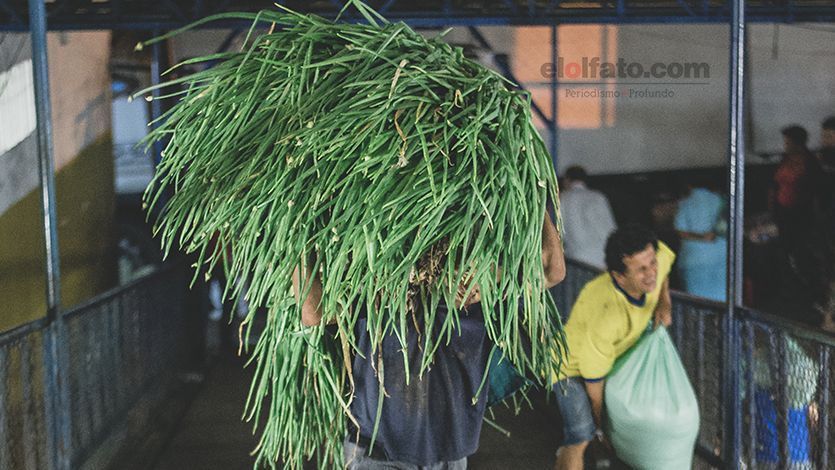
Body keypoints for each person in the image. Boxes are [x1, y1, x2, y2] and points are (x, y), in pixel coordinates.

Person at [295, 212, 566, 469]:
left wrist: (538, 193)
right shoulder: (384, 287)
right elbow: (313, 312)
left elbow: (551, 270)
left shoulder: (477, 288)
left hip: (451, 453)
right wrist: (295, 230)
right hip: (379, 452)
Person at [551, 224, 675, 470]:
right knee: (581, 435)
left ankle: (600, 451)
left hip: (615, 356)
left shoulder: (653, 258)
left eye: (651, 263)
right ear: (618, 276)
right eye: (641, 270)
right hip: (569, 368)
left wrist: (665, 302)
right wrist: (603, 428)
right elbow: (594, 389)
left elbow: (663, 269)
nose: (651, 272)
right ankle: (580, 448)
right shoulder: (604, 314)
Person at [674, 182, 727, 301]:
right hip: (721, 258)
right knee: (722, 300)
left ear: (689, 185)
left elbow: (680, 230)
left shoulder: (686, 203)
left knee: (698, 303)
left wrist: (702, 238)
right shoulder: (721, 201)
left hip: (695, 261)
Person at [559, 166, 617, 270]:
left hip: (576, 261)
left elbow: (558, 231)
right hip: (601, 259)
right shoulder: (599, 197)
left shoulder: (563, 198)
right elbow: (610, 228)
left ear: (567, 180)